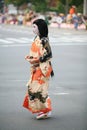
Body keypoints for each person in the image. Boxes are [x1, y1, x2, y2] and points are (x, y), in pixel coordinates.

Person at [23, 19, 54, 119]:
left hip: (43, 68)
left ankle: (46, 111)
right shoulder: (36, 38)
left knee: (39, 90)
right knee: (33, 88)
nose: (33, 29)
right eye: (32, 26)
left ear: (40, 28)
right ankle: (43, 110)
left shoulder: (44, 39)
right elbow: (35, 51)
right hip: (36, 67)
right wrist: (30, 58)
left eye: (34, 27)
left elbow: (49, 54)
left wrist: (36, 60)